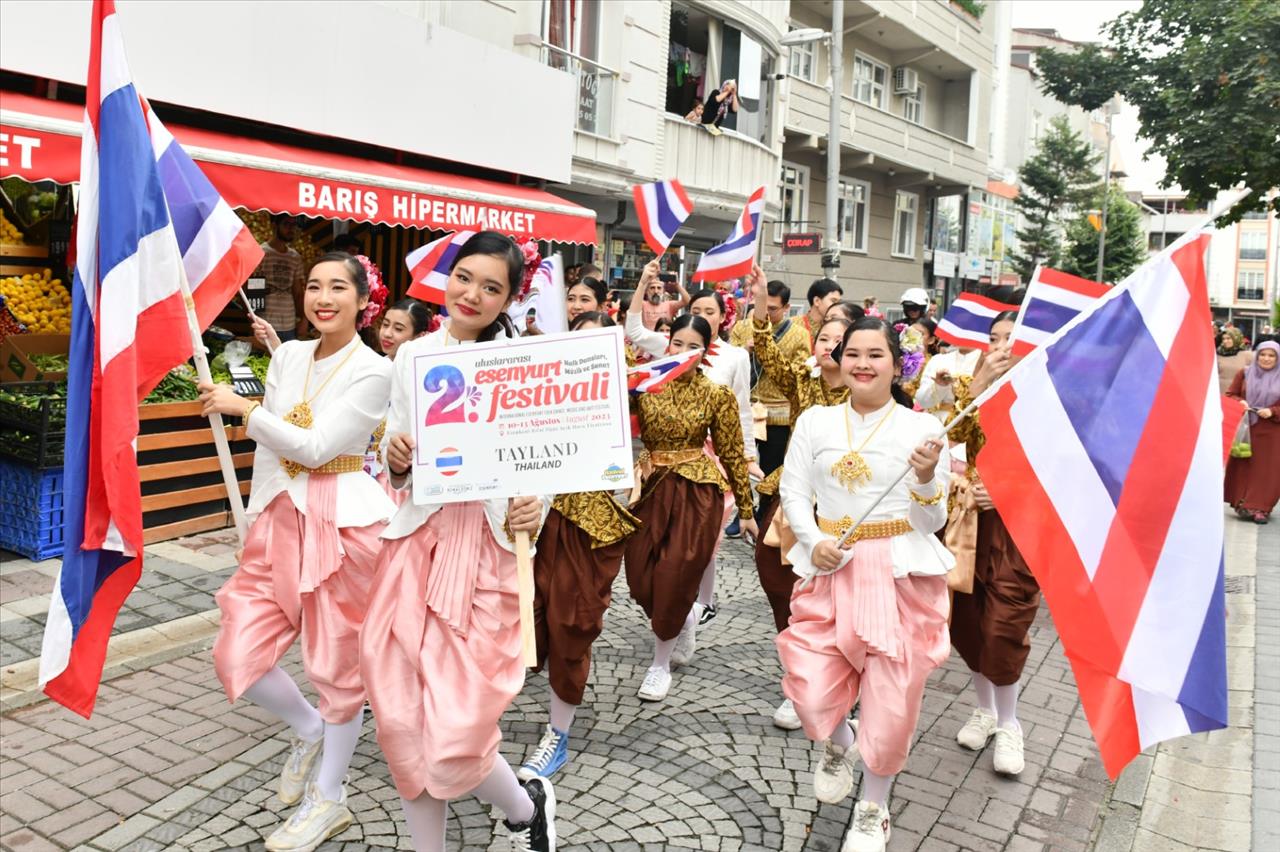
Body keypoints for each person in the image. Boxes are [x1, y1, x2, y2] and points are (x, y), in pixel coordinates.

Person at [359, 231, 556, 852]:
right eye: (464, 277)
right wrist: (395, 457)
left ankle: (526, 810)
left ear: (509, 299)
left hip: (490, 555)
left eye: (491, 286)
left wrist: (535, 506)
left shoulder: (529, 364)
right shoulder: (414, 356)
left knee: (460, 727)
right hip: (417, 545)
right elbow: (396, 447)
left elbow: (546, 459)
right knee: (400, 717)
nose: (472, 293)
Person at [198, 252, 395, 850]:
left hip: (345, 524)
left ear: (365, 300)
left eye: (339, 287)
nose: (324, 297)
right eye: (314, 286)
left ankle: (328, 798)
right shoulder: (286, 355)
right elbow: (274, 454)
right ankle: (307, 729)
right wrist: (259, 513)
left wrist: (246, 409)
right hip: (281, 518)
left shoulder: (375, 370)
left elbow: (314, 447)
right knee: (237, 654)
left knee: (339, 671)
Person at [776, 316, 953, 852]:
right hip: (829, 566)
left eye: (876, 354)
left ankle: (873, 808)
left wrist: (925, 480)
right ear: (838, 359)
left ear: (897, 364)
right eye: (853, 352)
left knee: (891, 701)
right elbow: (791, 490)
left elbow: (934, 520)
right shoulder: (815, 421)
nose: (862, 364)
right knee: (807, 687)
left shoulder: (920, 430)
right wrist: (811, 541)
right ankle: (839, 742)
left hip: (898, 572)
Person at [517, 309, 640, 782]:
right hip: (534, 520)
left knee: (573, 623)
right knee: (526, 617)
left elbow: (634, 461)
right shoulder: (542, 393)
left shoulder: (627, 398)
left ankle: (558, 732)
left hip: (589, 525)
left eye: (599, 345)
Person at [626, 313, 758, 701]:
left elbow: (733, 454)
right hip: (650, 489)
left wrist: (747, 512)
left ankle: (659, 664)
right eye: (677, 344)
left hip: (696, 494)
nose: (682, 352)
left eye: (693, 346)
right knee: (639, 577)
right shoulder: (645, 384)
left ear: (707, 351)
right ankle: (682, 615)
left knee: (674, 573)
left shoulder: (715, 394)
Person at [743, 265, 852, 730]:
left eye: (839, 339)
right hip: (793, 496)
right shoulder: (804, 381)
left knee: (835, 595)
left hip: (846, 506)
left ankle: (843, 678)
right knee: (778, 582)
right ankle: (800, 676)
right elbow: (766, 353)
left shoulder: (867, 393)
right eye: (823, 338)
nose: (828, 346)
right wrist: (761, 303)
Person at [945, 311, 1039, 777]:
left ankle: (1010, 724)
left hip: (1019, 529)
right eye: (994, 339)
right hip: (969, 524)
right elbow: (953, 435)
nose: (1000, 347)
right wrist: (978, 381)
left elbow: (1060, 471)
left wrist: (1007, 491)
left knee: (1004, 624)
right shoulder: (979, 389)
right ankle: (984, 710)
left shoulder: (1047, 400)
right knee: (966, 620)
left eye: (1010, 339)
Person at [729, 279, 811, 476]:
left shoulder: (799, 334)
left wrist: (769, 352)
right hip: (744, 409)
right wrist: (745, 350)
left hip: (778, 415)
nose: (765, 313)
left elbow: (798, 374)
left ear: (786, 308)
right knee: (736, 467)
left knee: (772, 471)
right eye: (762, 306)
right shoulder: (741, 327)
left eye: (773, 309)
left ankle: (766, 506)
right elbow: (729, 362)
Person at [1225, 340, 1280, 523]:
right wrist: (1240, 402)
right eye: (1263, 354)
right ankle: (1242, 503)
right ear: (1257, 355)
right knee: (1244, 466)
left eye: (1271, 355)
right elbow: (1230, 394)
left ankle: (1261, 508)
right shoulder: (1245, 373)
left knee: (1267, 471)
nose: (1266, 358)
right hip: (1246, 427)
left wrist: (1272, 411)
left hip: (1271, 431)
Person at [256, 213, 307, 341]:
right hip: (265, 324)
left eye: (293, 225)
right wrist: (253, 321)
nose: (291, 229)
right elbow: (254, 291)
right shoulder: (261, 253)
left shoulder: (295, 257)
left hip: (289, 324)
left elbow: (298, 292)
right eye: (286, 224)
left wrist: (304, 319)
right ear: (274, 226)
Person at [913, 343, 981, 424]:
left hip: (972, 426)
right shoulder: (938, 360)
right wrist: (939, 386)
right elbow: (922, 401)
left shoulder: (988, 363)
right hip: (937, 424)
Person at [803, 279, 845, 346]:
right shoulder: (792, 326)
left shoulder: (838, 327)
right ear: (817, 301)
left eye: (839, 302)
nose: (837, 306)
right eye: (833, 301)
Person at [1217, 327, 1254, 394]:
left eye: (1228, 338)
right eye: (1223, 339)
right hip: (1219, 392)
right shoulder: (1218, 354)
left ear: (1236, 338)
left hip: (1237, 393)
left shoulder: (1248, 355)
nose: (1225, 341)